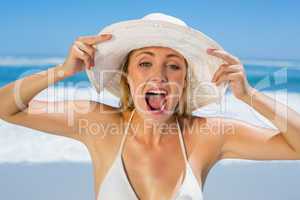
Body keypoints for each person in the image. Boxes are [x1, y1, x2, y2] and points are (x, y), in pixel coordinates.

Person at [0, 13, 300, 200]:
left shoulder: (210, 134)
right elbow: (7, 108)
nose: (159, 75)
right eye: (145, 63)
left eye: (173, 66)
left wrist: (249, 95)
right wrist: (62, 71)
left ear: (185, 81)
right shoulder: (100, 123)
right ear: (127, 75)